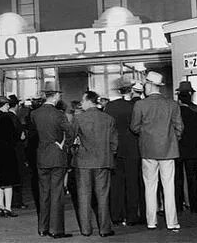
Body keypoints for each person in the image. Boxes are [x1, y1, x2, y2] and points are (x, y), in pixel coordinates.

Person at [130, 71, 183, 232]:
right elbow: (179, 127)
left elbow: (134, 127)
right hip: (168, 151)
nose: (144, 87)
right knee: (169, 187)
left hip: (148, 150)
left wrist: (146, 134)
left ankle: (151, 222)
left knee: (150, 187)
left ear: (150, 85)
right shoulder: (172, 104)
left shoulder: (140, 105)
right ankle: (171, 222)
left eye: (145, 84)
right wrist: (171, 139)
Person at [30, 84, 73, 238]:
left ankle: (43, 228)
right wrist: (64, 144)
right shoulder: (59, 114)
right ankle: (56, 230)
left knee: (44, 193)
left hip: (42, 156)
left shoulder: (35, 114)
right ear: (55, 96)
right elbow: (71, 131)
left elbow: (35, 134)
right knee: (57, 193)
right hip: (56, 156)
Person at [72, 91, 118, 237]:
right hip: (103, 162)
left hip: (83, 162)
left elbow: (71, 139)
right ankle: (105, 229)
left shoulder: (78, 119)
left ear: (88, 101)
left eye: (82, 100)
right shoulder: (108, 119)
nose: (81, 103)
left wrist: (75, 152)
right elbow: (114, 143)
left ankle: (86, 230)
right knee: (103, 196)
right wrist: (108, 154)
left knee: (83, 196)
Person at [105, 77, 142, 226]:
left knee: (116, 183)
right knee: (132, 183)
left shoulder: (110, 107)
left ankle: (116, 215)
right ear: (131, 90)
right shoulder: (135, 106)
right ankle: (132, 216)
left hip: (115, 149)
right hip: (133, 148)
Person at [175, 84, 197, 214]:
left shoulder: (174, 111)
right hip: (193, 150)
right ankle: (195, 206)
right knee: (193, 178)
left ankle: (178, 206)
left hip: (177, 149)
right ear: (190, 94)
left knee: (177, 179)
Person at [0, 97, 20, 217]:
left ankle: (1, 207)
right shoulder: (6, 118)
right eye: (7, 105)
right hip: (7, 152)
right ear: (3, 105)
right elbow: (12, 135)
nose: (8, 107)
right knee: (8, 182)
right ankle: (8, 208)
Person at [6, 94, 28, 209]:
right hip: (17, 151)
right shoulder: (13, 118)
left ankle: (14, 200)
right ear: (17, 106)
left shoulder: (6, 117)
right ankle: (17, 201)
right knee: (18, 176)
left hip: (10, 151)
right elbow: (20, 135)